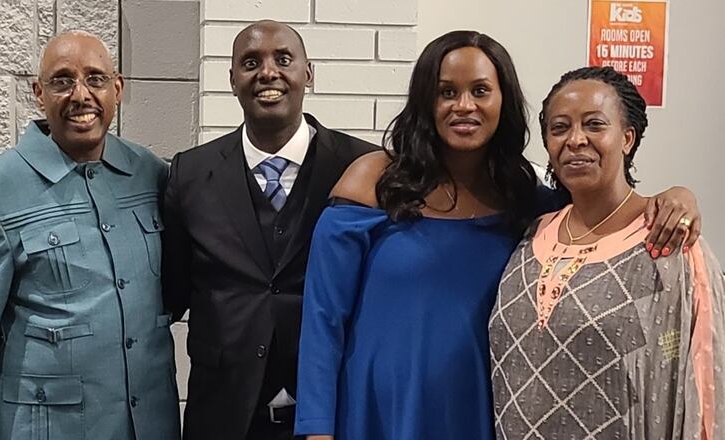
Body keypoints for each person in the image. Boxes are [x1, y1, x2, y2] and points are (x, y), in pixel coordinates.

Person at [295, 31, 701, 440]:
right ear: (425, 102)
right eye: (447, 92)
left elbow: (601, 213)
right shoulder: (372, 181)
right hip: (381, 411)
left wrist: (677, 197)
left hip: (486, 412)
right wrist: (317, 431)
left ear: (502, 100)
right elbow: (323, 318)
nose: (464, 106)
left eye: (480, 91)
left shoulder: (531, 205)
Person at [0, 31, 180, 440]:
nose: (80, 95)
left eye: (95, 79)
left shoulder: (151, 175)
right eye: (62, 81)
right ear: (38, 93)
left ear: (117, 88)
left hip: (150, 425)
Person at [161, 20, 377, 440]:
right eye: (250, 62)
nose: (267, 73)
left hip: (333, 414)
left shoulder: (362, 168)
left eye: (283, 59)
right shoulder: (189, 173)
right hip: (221, 417)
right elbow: (174, 292)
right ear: (232, 80)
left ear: (308, 73)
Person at [489, 66, 724, 439]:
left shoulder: (670, 244)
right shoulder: (531, 232)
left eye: (595, 125)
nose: (576, 140)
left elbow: (705, 384)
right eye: (560, 127)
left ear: (627, 138)